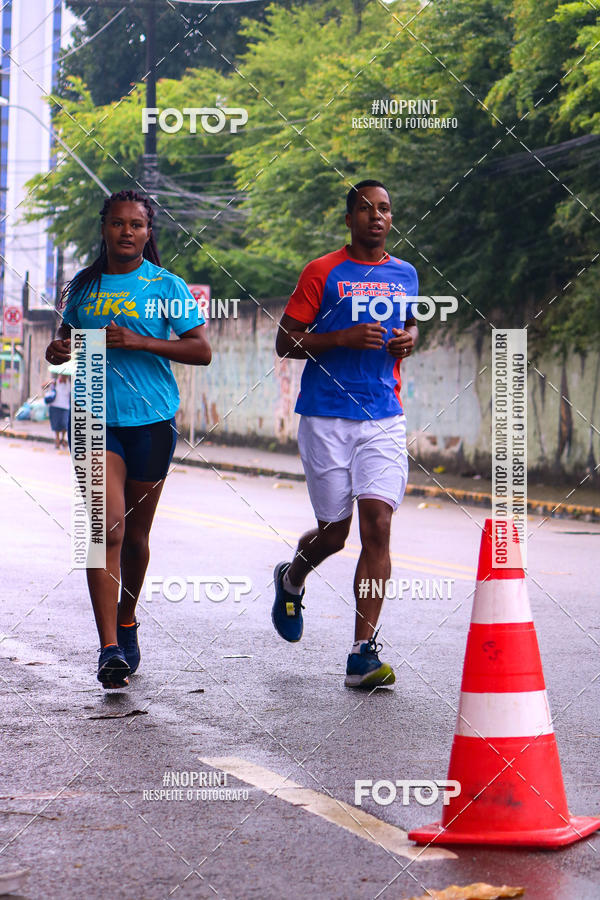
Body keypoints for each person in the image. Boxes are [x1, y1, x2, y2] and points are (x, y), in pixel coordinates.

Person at [45, 189, 211, 689]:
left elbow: (201, 350)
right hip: (95, 417)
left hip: (151, 420)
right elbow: (68, 341)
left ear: (148, 232)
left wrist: (140, 340)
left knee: (136, 536)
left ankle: (127, 618)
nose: (126, 232)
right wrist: (60, 350)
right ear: (104, 228)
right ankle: (109, 650)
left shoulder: (166, 285)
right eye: (118, 223)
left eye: (136, 225)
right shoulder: (84, 288)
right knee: (107, 530)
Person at [272, 179, 418, 688]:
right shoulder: (322, 271)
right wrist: (341, 338)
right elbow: (285, 341)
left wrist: (409, 338)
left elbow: (412, 323)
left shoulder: (405, 274)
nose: (377, 216)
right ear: (350, 217)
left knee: (377, 524)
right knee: (335, 533)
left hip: (383, 415)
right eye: (366, 208)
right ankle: (291, 579)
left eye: (385, 208)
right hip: (326, 414)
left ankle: (362, 652)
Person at [46, 373, 71, 449]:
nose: (64, 377)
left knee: (64, 424)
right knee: (56, 425)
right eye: (62, 375)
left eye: (65, 376)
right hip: (54, 406)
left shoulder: (69, 384)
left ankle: (62, 439)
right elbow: (43, 386)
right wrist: (50, 382)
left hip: (65, 407)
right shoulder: (55, 382)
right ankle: (57, 440)